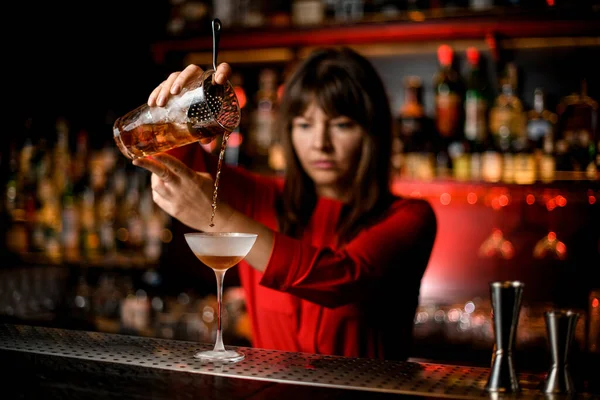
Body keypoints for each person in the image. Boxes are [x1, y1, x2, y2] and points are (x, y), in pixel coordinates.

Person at [132, 47, 437, 361]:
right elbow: (172, 164)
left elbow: (340, 278)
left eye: (341, 125)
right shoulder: (263, 197)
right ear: (287, 132)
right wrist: (179, 109)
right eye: (304, 125)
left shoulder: (410, 218)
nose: (320, 143)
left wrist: (220, 221)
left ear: (373, 132)